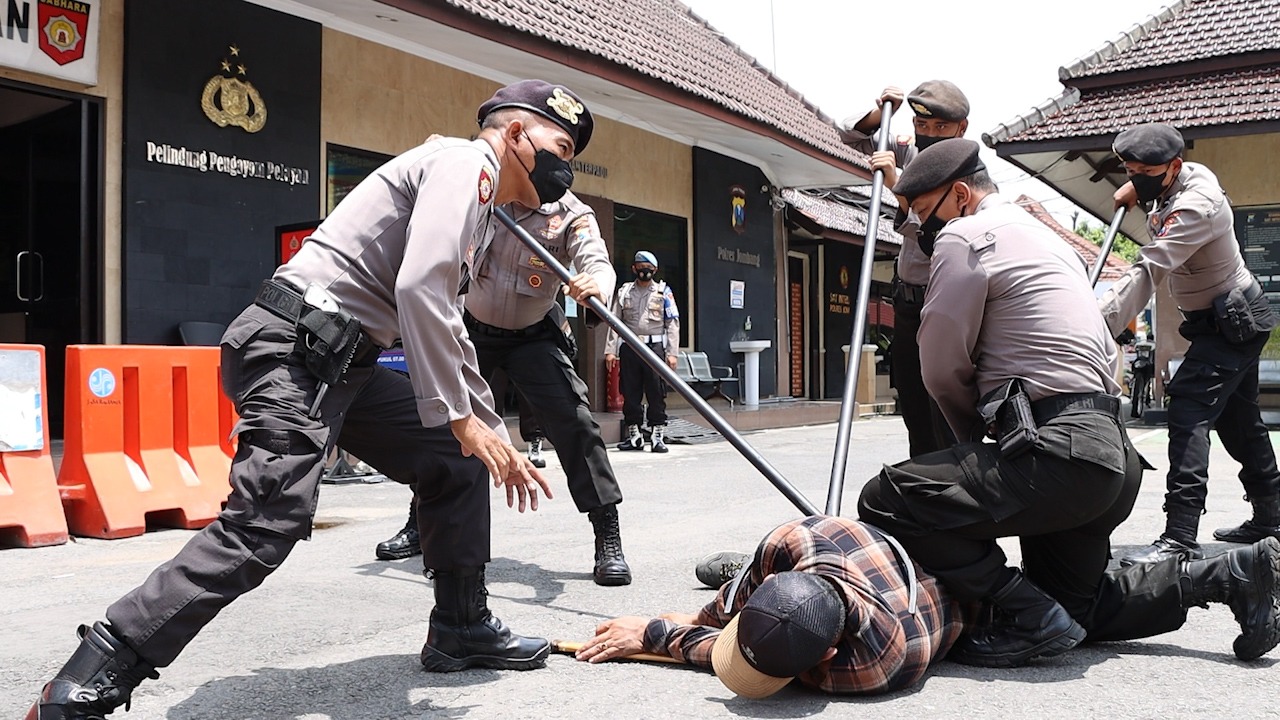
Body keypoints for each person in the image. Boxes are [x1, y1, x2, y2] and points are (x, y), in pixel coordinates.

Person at [25, 78, 589, 719]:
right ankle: (91, 675)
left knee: (453, 459)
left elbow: (448, 323)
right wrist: (461, 417)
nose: (563, 167)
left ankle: (461, 626)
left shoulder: (479, 202)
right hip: (296, 346)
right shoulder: (467, 164)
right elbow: (422, 291)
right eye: (560, 145)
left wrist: (487, 430)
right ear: (515, 135)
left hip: (344, 360)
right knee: (265, 523)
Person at [855, 138, 1280, 668]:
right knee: (1074, 608)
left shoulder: (964, 237)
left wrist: (966, 444)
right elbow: (1106, 353)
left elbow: (941, 363)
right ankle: (1231, 575)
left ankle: (1020, 611)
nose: (921, 226)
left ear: (960, 195)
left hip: (1054, 455)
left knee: (888, 496)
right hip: (1109, 460)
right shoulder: (1047, 239)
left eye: (923, 212)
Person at [1100, 123, 1280, 565]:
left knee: (1187, 410)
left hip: (1234, 322)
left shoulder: (1197, 206)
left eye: (1146, 171)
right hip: (1220, 320)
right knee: (1240, 423)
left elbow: (1150, 267)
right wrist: (1138, 190)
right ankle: (1271, 517)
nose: (1136, 177)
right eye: (1130, 169)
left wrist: (1095, 322)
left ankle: (1179, 536)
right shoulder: (1170, 182)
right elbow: (1154, 197)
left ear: (1174, 167)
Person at [575, 516, 967, 698]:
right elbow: (744, 620)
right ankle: (739, 572)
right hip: (855, 540)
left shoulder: (868, 669)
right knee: (764, 561)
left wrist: (654, 633)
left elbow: (722, 652)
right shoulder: (796, 541)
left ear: (828, 654)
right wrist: (704, 616)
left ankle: (738, 574)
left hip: (931, 577)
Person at [461, 189, 632, 586]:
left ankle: (607, 534)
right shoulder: (485, 192)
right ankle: (421, 521)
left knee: (576, 423)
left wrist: (596, 287)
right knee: (448, 424)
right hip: (471, 330)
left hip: (532, 335)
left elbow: (597, 260)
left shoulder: (571, 213)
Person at [836, 80, 969, 457]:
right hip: (907, 303)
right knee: (912, 403)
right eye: (922, 126)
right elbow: (848, 133)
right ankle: (923, 486)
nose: (929, 135)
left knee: (943, 406)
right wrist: (881, 112)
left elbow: (937, 238)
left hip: (943, 305)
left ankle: (955, 487)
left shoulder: (965, 176)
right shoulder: (907, 153)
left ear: (961, 129)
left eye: (940, 128)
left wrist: (900, 190)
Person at [605, 251, 680, 453]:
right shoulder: (625, 291)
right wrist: (610, 350)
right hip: (630, 347)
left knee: (656, 392)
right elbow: (614, 321)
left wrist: (672, 353)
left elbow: (672, 323)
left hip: (654, 348)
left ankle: (657, 435)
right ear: (633, 269)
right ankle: (635, 435)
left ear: (655, 270)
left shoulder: (663, 292)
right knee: (630, 392)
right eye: (640, 266)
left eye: (648, 267)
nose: (644, 270)